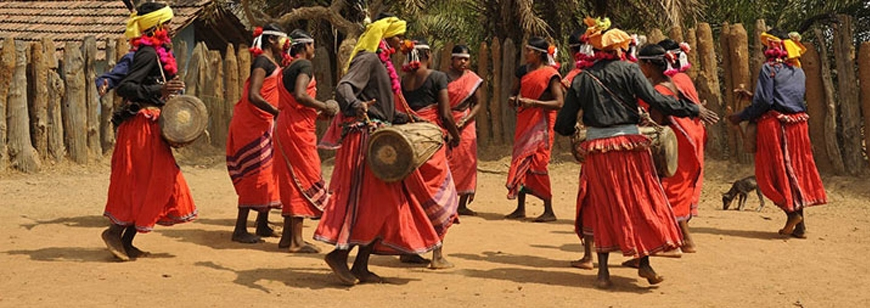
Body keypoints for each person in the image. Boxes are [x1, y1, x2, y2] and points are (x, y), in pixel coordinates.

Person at [554, 17, 719, 289]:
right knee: (639, 202)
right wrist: (693, 109)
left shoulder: (582, 80)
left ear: (593, 51)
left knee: (603, 205)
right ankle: (644, 263)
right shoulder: (630, 72)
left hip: (597, 152)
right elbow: (657, 100)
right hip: (630, 147)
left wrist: (582, 127)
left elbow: (563, 125)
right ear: (620, 49)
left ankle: (603, 274)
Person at [314, 15, 442, 286]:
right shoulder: (368, 59)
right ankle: (339, 255)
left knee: (383, 203)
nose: (401, 41)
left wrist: (404, 117)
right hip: (363, 138)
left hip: (377, 135)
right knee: (366, 200)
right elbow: (344, 87)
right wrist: (355, 105)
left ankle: (360, 264)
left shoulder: (383, 63)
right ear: (385, 37)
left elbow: (381, 108)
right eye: (397, 36)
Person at [102, 2, 196, 261]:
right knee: (143, 182)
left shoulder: (160, 52)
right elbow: (126, 88)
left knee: (155, 183)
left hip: (154, 126)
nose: (170, 28)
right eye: (166, 23)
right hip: (141, 126)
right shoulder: (145, 54)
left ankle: (127, 241)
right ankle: (114, 233)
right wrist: (158, 92)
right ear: (156, 26)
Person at [728, 29, 826, 238]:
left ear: (773, 48)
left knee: (770, 175)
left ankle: (791, 213)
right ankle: (800, 226)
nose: (763, 50)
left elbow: (765, 103)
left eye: (765, 46)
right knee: (794, 173)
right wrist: (752, 97)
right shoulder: (798, 71)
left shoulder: (768, 69)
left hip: (776, 127)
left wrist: (741, 116)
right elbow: (784, 98)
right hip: (798, 127)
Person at [397, 38, 461, 269]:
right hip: (431, 142)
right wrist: (455, 134)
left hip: (408, 141)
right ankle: (437, 255)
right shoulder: (437, 77)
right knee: (439, 196)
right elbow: (445, 112)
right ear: (427, 56)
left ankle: (408, 250)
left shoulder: (403, 80)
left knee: (412, 196)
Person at [273, 29, 338, 253]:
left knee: (291, 178)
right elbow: (301, 96)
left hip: (285, 125)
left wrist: (318, 114)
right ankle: (296, 241)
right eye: (312, 45)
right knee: (303, 176)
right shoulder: (304, 66)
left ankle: (286, 237)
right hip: (297, 131)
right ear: (304, 47)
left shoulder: (285, 69)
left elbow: (294, 103)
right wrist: (325, 106)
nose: (314, 49)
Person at [225, 24, 289, 243]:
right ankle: (240, 228)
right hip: (253, 125)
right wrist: (276, 112)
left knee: (267, 174)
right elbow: (254, 95)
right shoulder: (262, 62)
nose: (285, 44)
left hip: (263, 124)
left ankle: (262, 224)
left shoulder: (271, 62)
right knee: (256, 174)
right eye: (283, 39)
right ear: (272, 40)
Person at [647, 39, 707, 253]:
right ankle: (679, 237)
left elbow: (658, 120)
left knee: (669, 187)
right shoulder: (679, 80)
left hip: (677, 141)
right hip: (690, 136)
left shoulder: (662, 87)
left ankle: (677, 241)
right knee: (679, 186)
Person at [504, 36, 563, 223]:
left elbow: (558, 102)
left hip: (542, 124)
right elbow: (513, 92)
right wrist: (513, 99)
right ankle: (520, 208)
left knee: (538, 163)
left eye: (529, 50)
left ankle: (548, 209)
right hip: (525, 121)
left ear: (539, 54)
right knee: (521, 161)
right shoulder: (522, 71)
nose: (526, 53)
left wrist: (534, 103)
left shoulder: (550, 74)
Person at [445, 44, 483, 216]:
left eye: (466, 59)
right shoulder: (443, 78)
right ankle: (446, 201)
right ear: (452, 59)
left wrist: (466, 119)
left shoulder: (473, 79)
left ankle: (462, 204)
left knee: (467, 160)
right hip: (446, 122)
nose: (463, 62)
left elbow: (478, 104)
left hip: (466, 124)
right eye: (459, 58)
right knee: (446, 161)